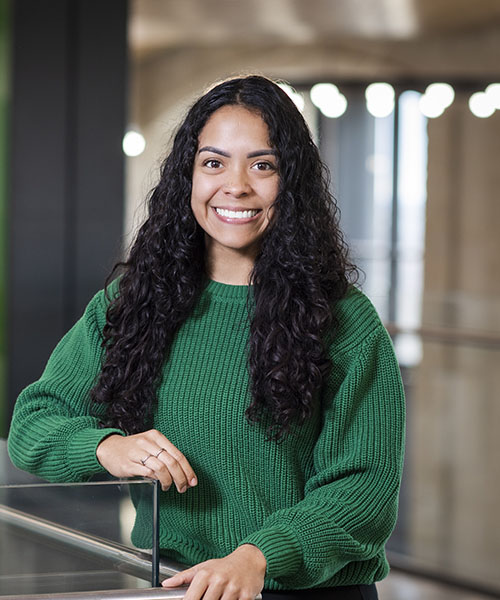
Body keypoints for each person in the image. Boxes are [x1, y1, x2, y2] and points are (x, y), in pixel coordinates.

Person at [8, 75, 405, 600]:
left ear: (292, 183)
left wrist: (258, 557)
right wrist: (106, 447)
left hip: (301, 592)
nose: (235, 185)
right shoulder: (133, 303)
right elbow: (33, 424)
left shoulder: (345, 322)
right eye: (213, 163)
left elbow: (365, 491)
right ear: (187, 177)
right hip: (174, 585)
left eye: (262, 165)